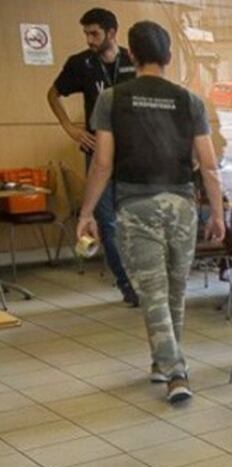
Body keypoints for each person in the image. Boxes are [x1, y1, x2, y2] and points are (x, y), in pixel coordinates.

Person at [77, 21, 225, 403]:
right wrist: (218, 214)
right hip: (182, 206)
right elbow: (208, 165)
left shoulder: (112, 98)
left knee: (154, 294)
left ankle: (175, 370)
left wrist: (86, 211)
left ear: (131, 54)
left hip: (136, 206)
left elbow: (102, 164)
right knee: (175, 291)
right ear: (169, 57)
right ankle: (164, 364)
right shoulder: (189, 100)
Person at [48, 7, 138, 306]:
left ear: (111, 33)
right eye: (86, 33)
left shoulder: (132, 60)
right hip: (96, 151)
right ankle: (127, 286)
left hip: (130, 153)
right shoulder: (80, 63)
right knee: (107, 220)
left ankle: (142, 278)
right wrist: (69, 127)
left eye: (94, 33)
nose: (89, 39)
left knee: (133, 218)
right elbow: (53, 94)